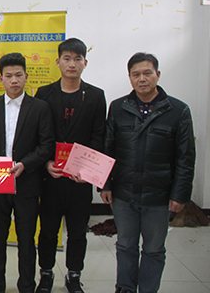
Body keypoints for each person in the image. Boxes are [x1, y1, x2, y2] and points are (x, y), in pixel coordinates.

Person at [102, 52, 195, 293]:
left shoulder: (178, 110)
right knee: (125, 245)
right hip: (124, 192)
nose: (141, 79)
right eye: (136, 74)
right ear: (130, 78)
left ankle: (148, 289)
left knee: (154, 249)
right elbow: (108, 148)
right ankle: (125, 287)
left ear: (158, 75)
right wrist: (105, 185)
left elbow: (185, 157)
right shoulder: (118, 108)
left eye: (147, 73)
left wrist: (180, 195)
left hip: (159, 195)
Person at [35, 38, 107, 293]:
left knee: (77, 231)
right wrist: (46, 163)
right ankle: (46, 274)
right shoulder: (44, 94)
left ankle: (74, 275)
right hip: (51, 177)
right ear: (58, 62)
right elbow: (39, 135)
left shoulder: (96, 95)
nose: (72, 64)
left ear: (85, 62)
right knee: (48, 231)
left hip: (80, 179)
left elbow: (98, 136)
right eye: (67, 58)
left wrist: (88, 170)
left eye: (78, 59)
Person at [0, 53, 55, 293]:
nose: (14, 80)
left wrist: (25, 164)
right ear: (1, 78)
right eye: (9, 76)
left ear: (26, 76)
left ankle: (26, 286)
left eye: (18, 75)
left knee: (26, 239)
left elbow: (46, 145)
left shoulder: (40, 107)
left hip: (27, 182)